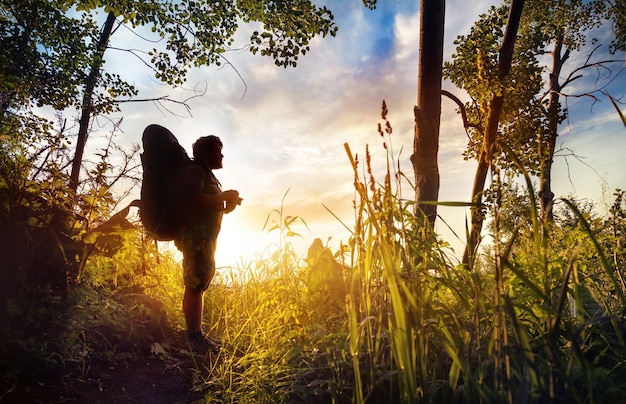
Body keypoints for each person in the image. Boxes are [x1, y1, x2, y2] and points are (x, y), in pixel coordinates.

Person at [175, 135, 242, 352]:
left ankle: (197, 334)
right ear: (205, 152)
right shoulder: (196, 170)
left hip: (205, 238)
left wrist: (225, 205)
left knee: (200, 283)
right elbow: (190, 200)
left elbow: (207, 205)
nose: (221, 155)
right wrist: (221, 196)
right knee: (195, 284)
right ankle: (194, 337)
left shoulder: (207, 174)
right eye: (217, 150)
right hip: (196, 237)